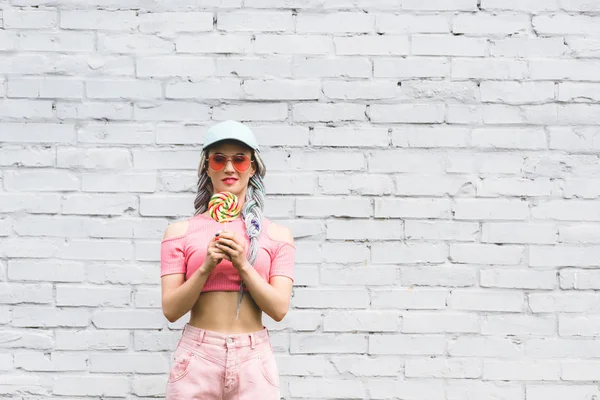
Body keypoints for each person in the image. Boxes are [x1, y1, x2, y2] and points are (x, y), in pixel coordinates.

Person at [160, 120, 295, 399]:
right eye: (219, 159)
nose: (230, 168)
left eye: (240, 160)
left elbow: (279, 310)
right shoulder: (180, 232)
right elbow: (171, 310)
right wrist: (206, 267)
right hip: (198, 357)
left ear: (253, 166)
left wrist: (243, 265)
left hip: (253, 360)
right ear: (206, 166)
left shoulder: (277, 235)